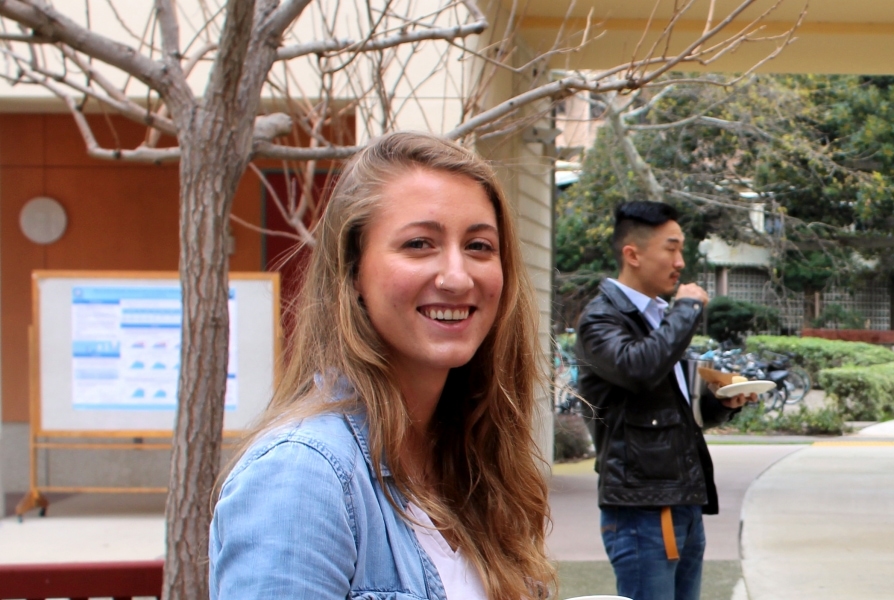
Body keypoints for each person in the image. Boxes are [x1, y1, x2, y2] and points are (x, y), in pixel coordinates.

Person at [211, 132, 553, 599]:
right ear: (353, 272)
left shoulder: (467, 458)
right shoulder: (302, 475)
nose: (457, 276)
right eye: (419, 243)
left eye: (478, 246)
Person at [573, 200, 755, 600]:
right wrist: (687, 309)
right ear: (633, 254)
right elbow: (638, 369)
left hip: (680, 499)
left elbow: (672, 408)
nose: (680, 261)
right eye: (671, 248)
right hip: (643, 508)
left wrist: (720, 403)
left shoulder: (657, 316)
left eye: (681, 249)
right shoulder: (602, 319)